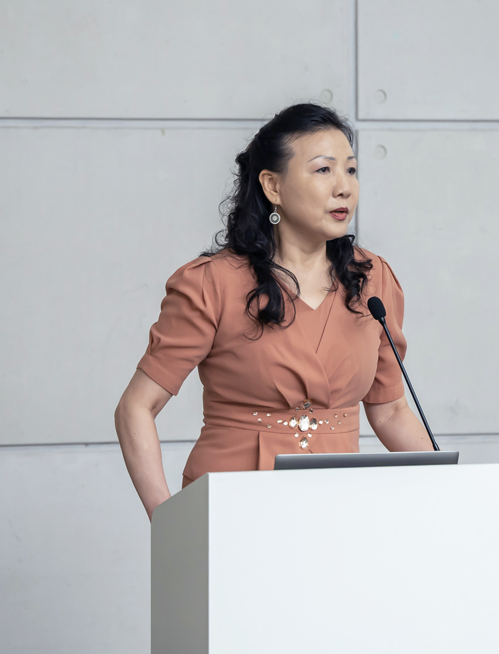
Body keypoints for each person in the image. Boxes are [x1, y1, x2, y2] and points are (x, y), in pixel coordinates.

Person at [115, 103, 433, 520]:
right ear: (273, 186)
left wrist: (452, 489)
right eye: (324, 170)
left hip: (338, 512)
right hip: (230, 512)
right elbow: (136, 407)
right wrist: (167, 520)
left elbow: (390, 410)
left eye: (351, 170)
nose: (344, 187)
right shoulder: (212, 283)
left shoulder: (372, 281)